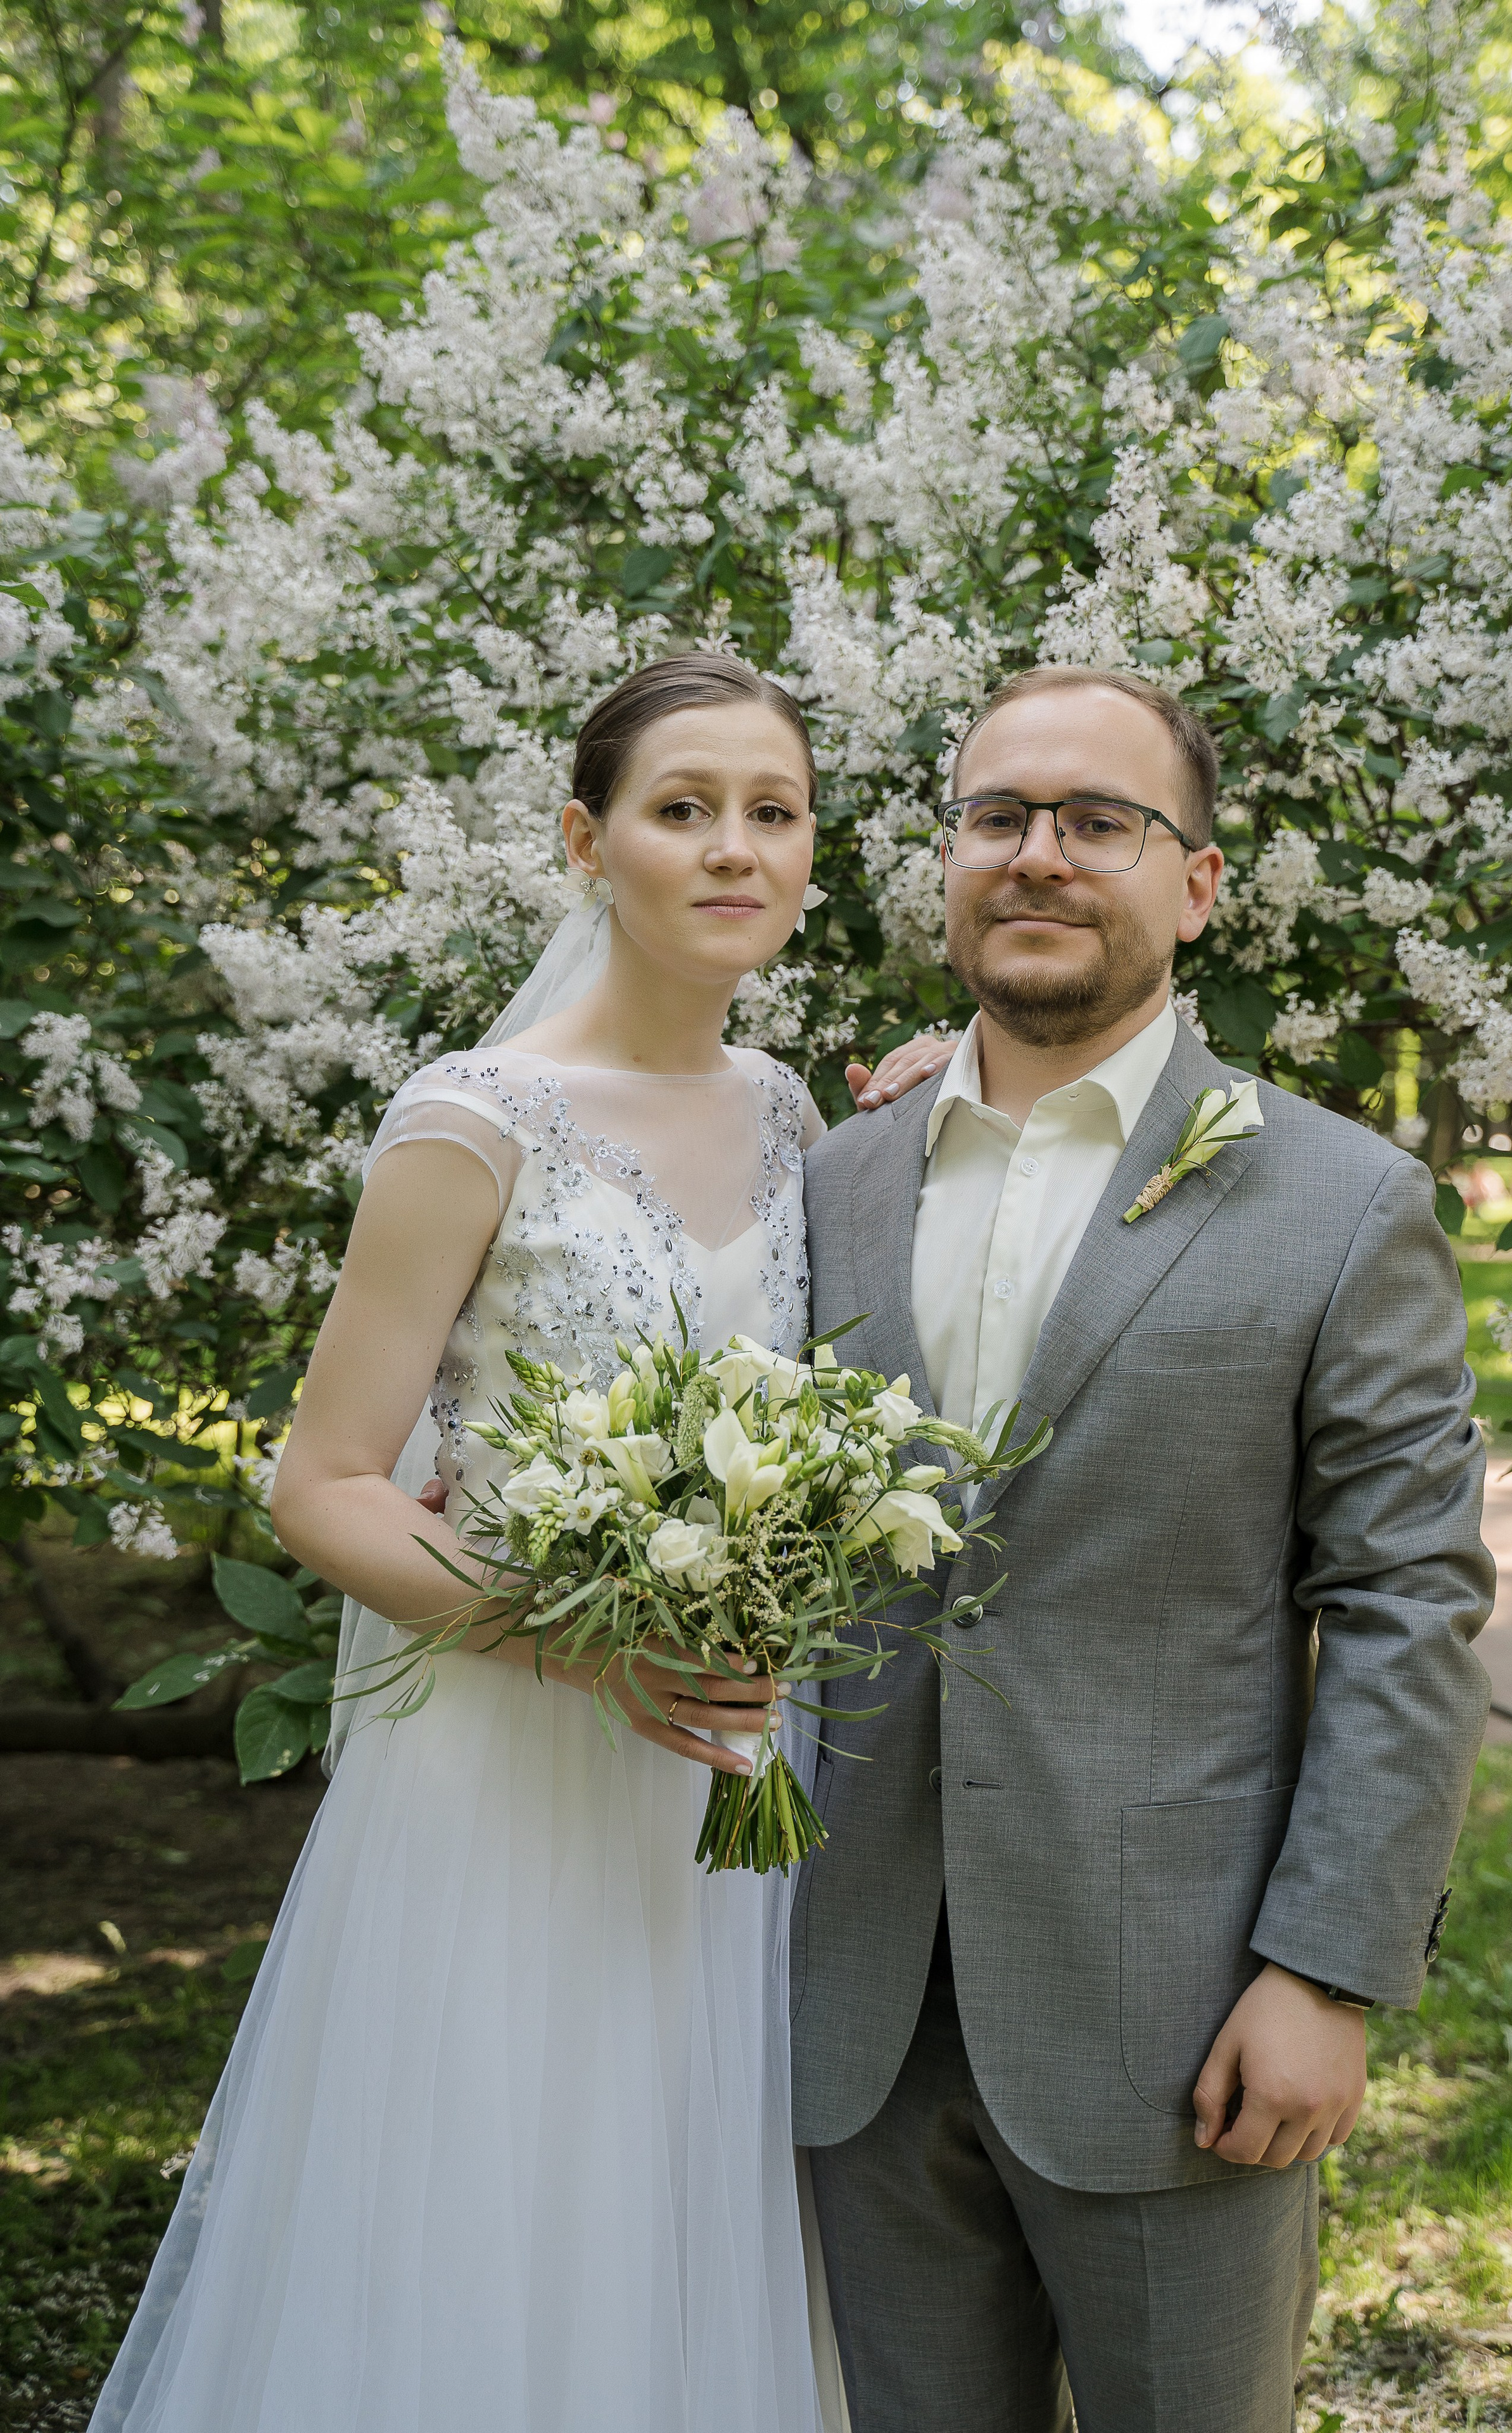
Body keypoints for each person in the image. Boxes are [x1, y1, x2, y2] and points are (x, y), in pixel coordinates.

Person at [89, 651, 942, 2433]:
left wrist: (945, 1100)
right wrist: (587, 1645)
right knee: (505, 2216)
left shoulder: (796, 1113)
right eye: (682, 809)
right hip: (524, 1754)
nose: (735, 849)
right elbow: (325, 1483)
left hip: (730, 1759)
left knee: (697, 2216)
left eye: (774, 813)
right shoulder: (472, 1120)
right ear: (584, 841)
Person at [793, 664, 1495, 2433]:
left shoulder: (1343, 1203)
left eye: (1099, 821)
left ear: (1195, 884)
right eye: (998, 816)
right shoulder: (833, 1180)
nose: (1039, 855)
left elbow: (1407, 1603)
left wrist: (1328, 1971)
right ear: (949, 861)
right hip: (852, 2014)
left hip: (1184, 2019)